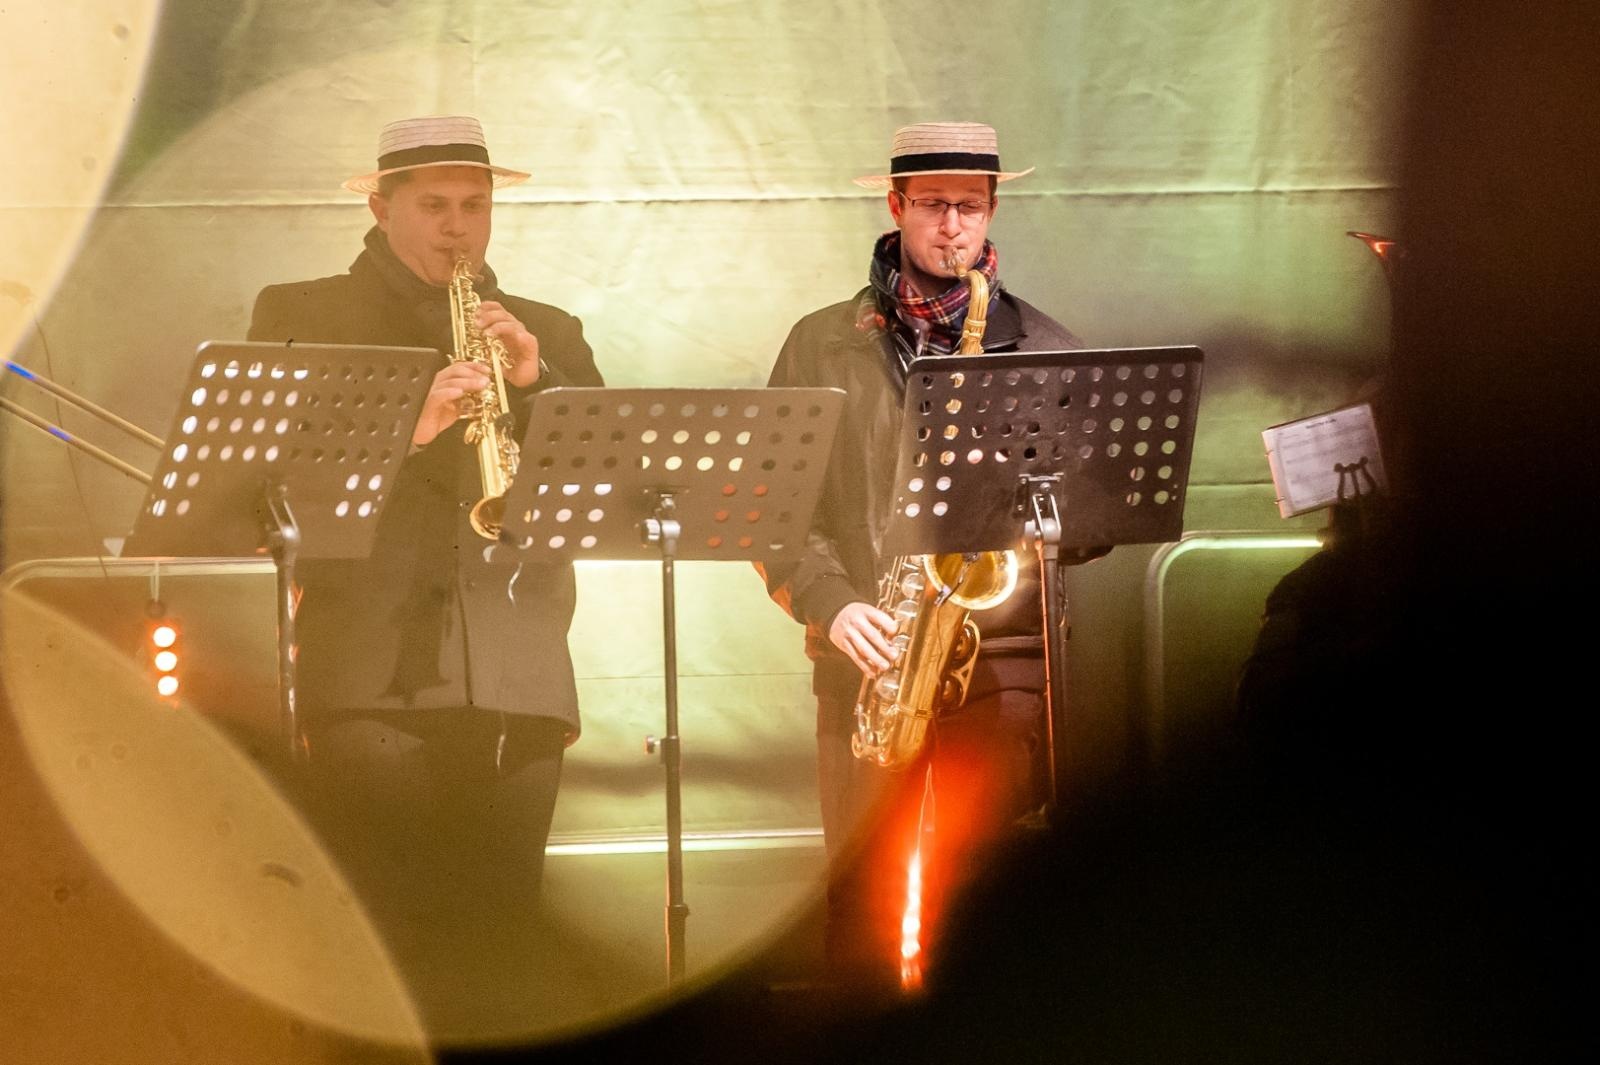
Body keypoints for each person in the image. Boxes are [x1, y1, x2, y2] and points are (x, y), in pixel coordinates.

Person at [246, 115, 604, 1030]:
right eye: (435, 205)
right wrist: (409, 428)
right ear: (380, 206)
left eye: (475, 206)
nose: (459, 227)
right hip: (369, 673)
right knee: (386, 940)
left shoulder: (548, 330)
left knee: (509, 942)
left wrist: (536, 381)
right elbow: (261, 489)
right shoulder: (302, 313)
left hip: (517, 672)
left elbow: (609, 481)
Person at [761, 122, 1093, 986]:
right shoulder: (819, 342)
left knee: (994, 912)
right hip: (869, 659)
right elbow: (774, 509)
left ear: (993, 211)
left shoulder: (1046, 345)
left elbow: (1092, 524)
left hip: (1005, 663)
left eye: (972, 208)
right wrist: (830, 603)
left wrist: (1045, 508)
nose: (954, 228)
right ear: (896, 206)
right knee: (862, 915)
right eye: (936, 206)